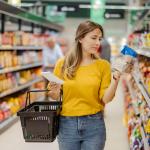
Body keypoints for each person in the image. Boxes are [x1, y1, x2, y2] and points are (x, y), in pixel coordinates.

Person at [47, 20, 124, 150]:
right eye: (93, 38)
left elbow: (106, 99)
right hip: (67, 124)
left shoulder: (103, 65)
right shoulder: (62, 64)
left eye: (99, 39)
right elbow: (54, 96)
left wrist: (116, 79)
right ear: (81, 38)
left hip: (94, 125)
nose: (97, 43)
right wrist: (55, 91)